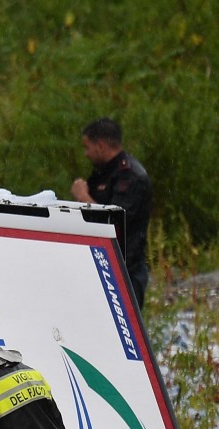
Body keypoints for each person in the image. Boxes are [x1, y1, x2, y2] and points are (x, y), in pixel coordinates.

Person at [71, 118, 152, 309]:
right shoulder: (104, 173)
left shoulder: (131, 176)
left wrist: (83, 197)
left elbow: (114, 221)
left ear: (100, 145)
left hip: (126, 269)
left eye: (88, 147)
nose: (86, 154)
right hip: (101, 265)